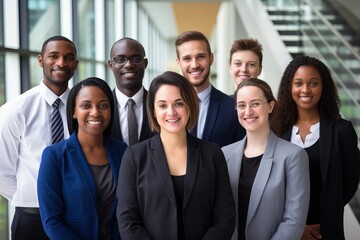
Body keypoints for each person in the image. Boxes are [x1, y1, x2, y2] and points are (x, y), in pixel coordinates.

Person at [117, 71, 235, 240]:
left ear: (189, 106)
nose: (171, 112)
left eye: (179, 103)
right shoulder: (134, 157)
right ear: (154, 111)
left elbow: (225, 217)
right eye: (163, 105)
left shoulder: (213, 153)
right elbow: (127, 220)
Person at [273, 56, 360, 240]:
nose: (305, 90)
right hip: (284, 230)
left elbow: (350, 182)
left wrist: (328, 217)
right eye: (298, 83)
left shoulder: (341, 130)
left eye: (313, 83)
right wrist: (296, 226)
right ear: (290, 87)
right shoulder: (276, 130)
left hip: (325, 230)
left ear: (324, 87)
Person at [0, 36, 78, 239]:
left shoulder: (84, 108)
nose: (61, 62)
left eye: (68, 57)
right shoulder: (15, 110)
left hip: (77, 215)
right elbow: (1, 171)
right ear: (41, 60)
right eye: (54, 56)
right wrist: (38, 197)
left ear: (76, 64)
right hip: (32, 220)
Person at [38, 77, 127, 239]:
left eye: (103, 105)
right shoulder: (54, 156)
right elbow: (52, 221)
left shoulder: (122, 151)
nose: (95, 112)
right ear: (74, 111)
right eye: (86, 105)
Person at [222, 78, 310, 240]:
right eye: (241, 105)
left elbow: (294, 221)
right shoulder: (224, 155)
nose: (248, 112)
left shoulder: (293, 156)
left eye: (255, 104)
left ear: (270, 106)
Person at [175, 30, 245, 147]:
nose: (195, 65)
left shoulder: (233, 108)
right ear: (179, 62)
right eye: (187, 59)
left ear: (211, 58)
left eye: (200, 57)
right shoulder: (167, 109)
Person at [108, 37, 153, 145]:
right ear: (111, 65)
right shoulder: (102, 107)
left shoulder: (158, 104)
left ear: (145, 63)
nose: (128, 65)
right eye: (120, 59)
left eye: (136, 59)